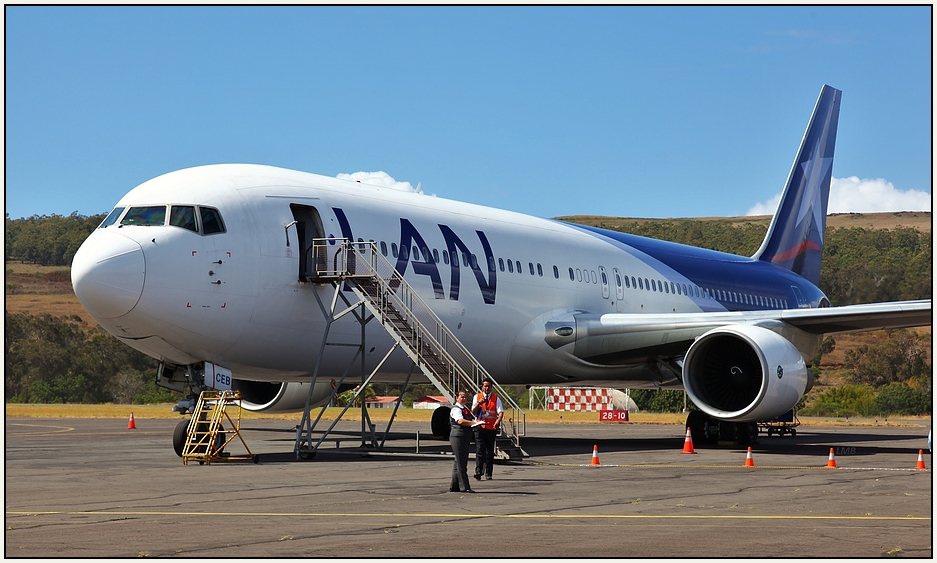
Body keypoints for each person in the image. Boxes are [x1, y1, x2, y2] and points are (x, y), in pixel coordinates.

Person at [471, 377, 504, 481]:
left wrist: (498, 421)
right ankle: (478, 472)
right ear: (482, 387)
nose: (486, 388)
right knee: (480, 450)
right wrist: (479, 403)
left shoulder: (496, 398)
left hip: (491, 428)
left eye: (488, 386)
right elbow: (474, 411)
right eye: (485, 386)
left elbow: (500, 411)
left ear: (491, 387)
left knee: (489, 452)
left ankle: (488, 473)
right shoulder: (477, 397)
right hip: (480, 427)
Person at [449, 390, 478, 493]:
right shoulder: (456, 409)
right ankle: (464, 487)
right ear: (457, 398)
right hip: (458, 437)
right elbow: (460, 421)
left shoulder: (464, 409)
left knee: (458, 462)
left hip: (464, 437)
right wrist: (473, 423)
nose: (464, 399)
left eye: (466, 397)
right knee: (462, 463)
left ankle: (455, 486)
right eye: (462, 397)